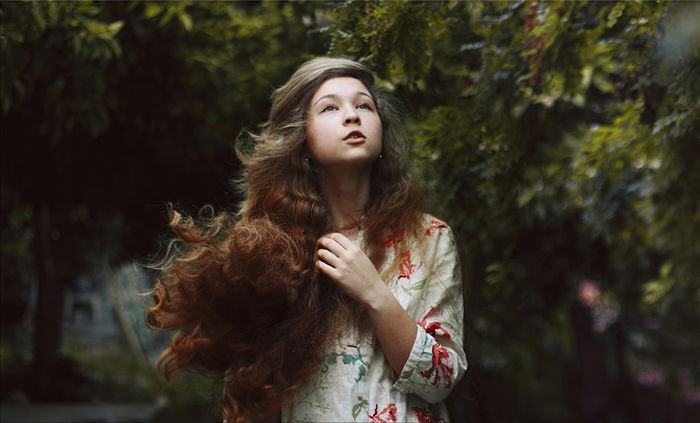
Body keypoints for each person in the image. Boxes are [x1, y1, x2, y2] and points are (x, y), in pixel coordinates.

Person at [147, 57, 467, 423]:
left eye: (365, 106)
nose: (353, 116)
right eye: (330, 107)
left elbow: (440, 380)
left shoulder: (429, 238)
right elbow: (250, 393)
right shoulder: (269, 248)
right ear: (301, 138)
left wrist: (375, 294)